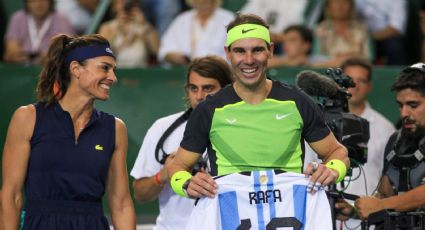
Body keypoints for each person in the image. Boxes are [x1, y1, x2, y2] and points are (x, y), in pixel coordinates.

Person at [166, 12, 349, 204]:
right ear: (227, 53)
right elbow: (177, 166)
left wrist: (333, 169)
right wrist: (186, 183)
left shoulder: (297, 102)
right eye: (239, 51)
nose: (249, 60)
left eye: (257, 50)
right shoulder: (208, 109)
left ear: (270, 50)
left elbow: (338, 153)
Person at [1, 34, 136, 229]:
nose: (113, 77)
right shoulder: (27, 117)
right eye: (105, 68)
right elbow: (11, 195)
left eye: (114, 70)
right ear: (76, 69)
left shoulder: (115, 128)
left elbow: (121, 204)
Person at [130, 55, 233, 229]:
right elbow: (140, 194)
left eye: (208, 88)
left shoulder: (241, 130)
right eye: (193, 88)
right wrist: (163, 175)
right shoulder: (162, 127)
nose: (200, 96)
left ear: (227, 89)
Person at [339, 63, 425, 221]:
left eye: (413, 105)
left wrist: (382, 205)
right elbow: (385, 195)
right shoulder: (396, 140)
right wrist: (355, 212)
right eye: (400, 105)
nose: (404, 113)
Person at [333, 58, 395, 229]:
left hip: (366, 221)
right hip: (322, 218)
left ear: (369, 86)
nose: (355, 85)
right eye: (350, 79)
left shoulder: (385, 128)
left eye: (361, 81)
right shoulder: (320, 123)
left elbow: (388, 182)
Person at [157, 0, 234, 66]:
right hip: (186, 72)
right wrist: (174, 57)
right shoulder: (182, 20)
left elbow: (235, 52)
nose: (203, 2)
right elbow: (164, 51)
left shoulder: (228, 18)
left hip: (220, 72)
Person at [4, 0, 74, 65]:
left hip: (50, 70)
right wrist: (16, 56)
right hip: (22, 69)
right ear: (27, 3)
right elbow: (11, 50)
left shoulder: (62, 20)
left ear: (50, 2)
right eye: (34, 0)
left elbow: (68, 51)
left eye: (42, 0)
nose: (38, 4)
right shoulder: (18, 18)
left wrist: (51, 58)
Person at [99, 0, 159, 68]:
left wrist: (144, 25)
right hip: (116, 72)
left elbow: (156, 51)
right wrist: (117, 31)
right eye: (121, 2)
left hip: (140, 73)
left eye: (130, 2)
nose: (125, 5)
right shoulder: (107, 27)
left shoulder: (144, 26)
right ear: (114, 6)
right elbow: (102, 54)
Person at [314, 0, 371, 68]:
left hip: (356, 72)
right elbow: (316, 59)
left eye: (344, 2)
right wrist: (349, 58)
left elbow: (369, 58)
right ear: (328, 7)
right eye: (335, 2)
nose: (340, 5)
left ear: (351, 7)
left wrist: (340, 60)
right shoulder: (320, 30)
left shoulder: (362, 30)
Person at [354, 0, 408, 65]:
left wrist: (368, 38)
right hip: (356, 35)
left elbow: (396, 28)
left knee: (394, 46)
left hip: (383, 38)